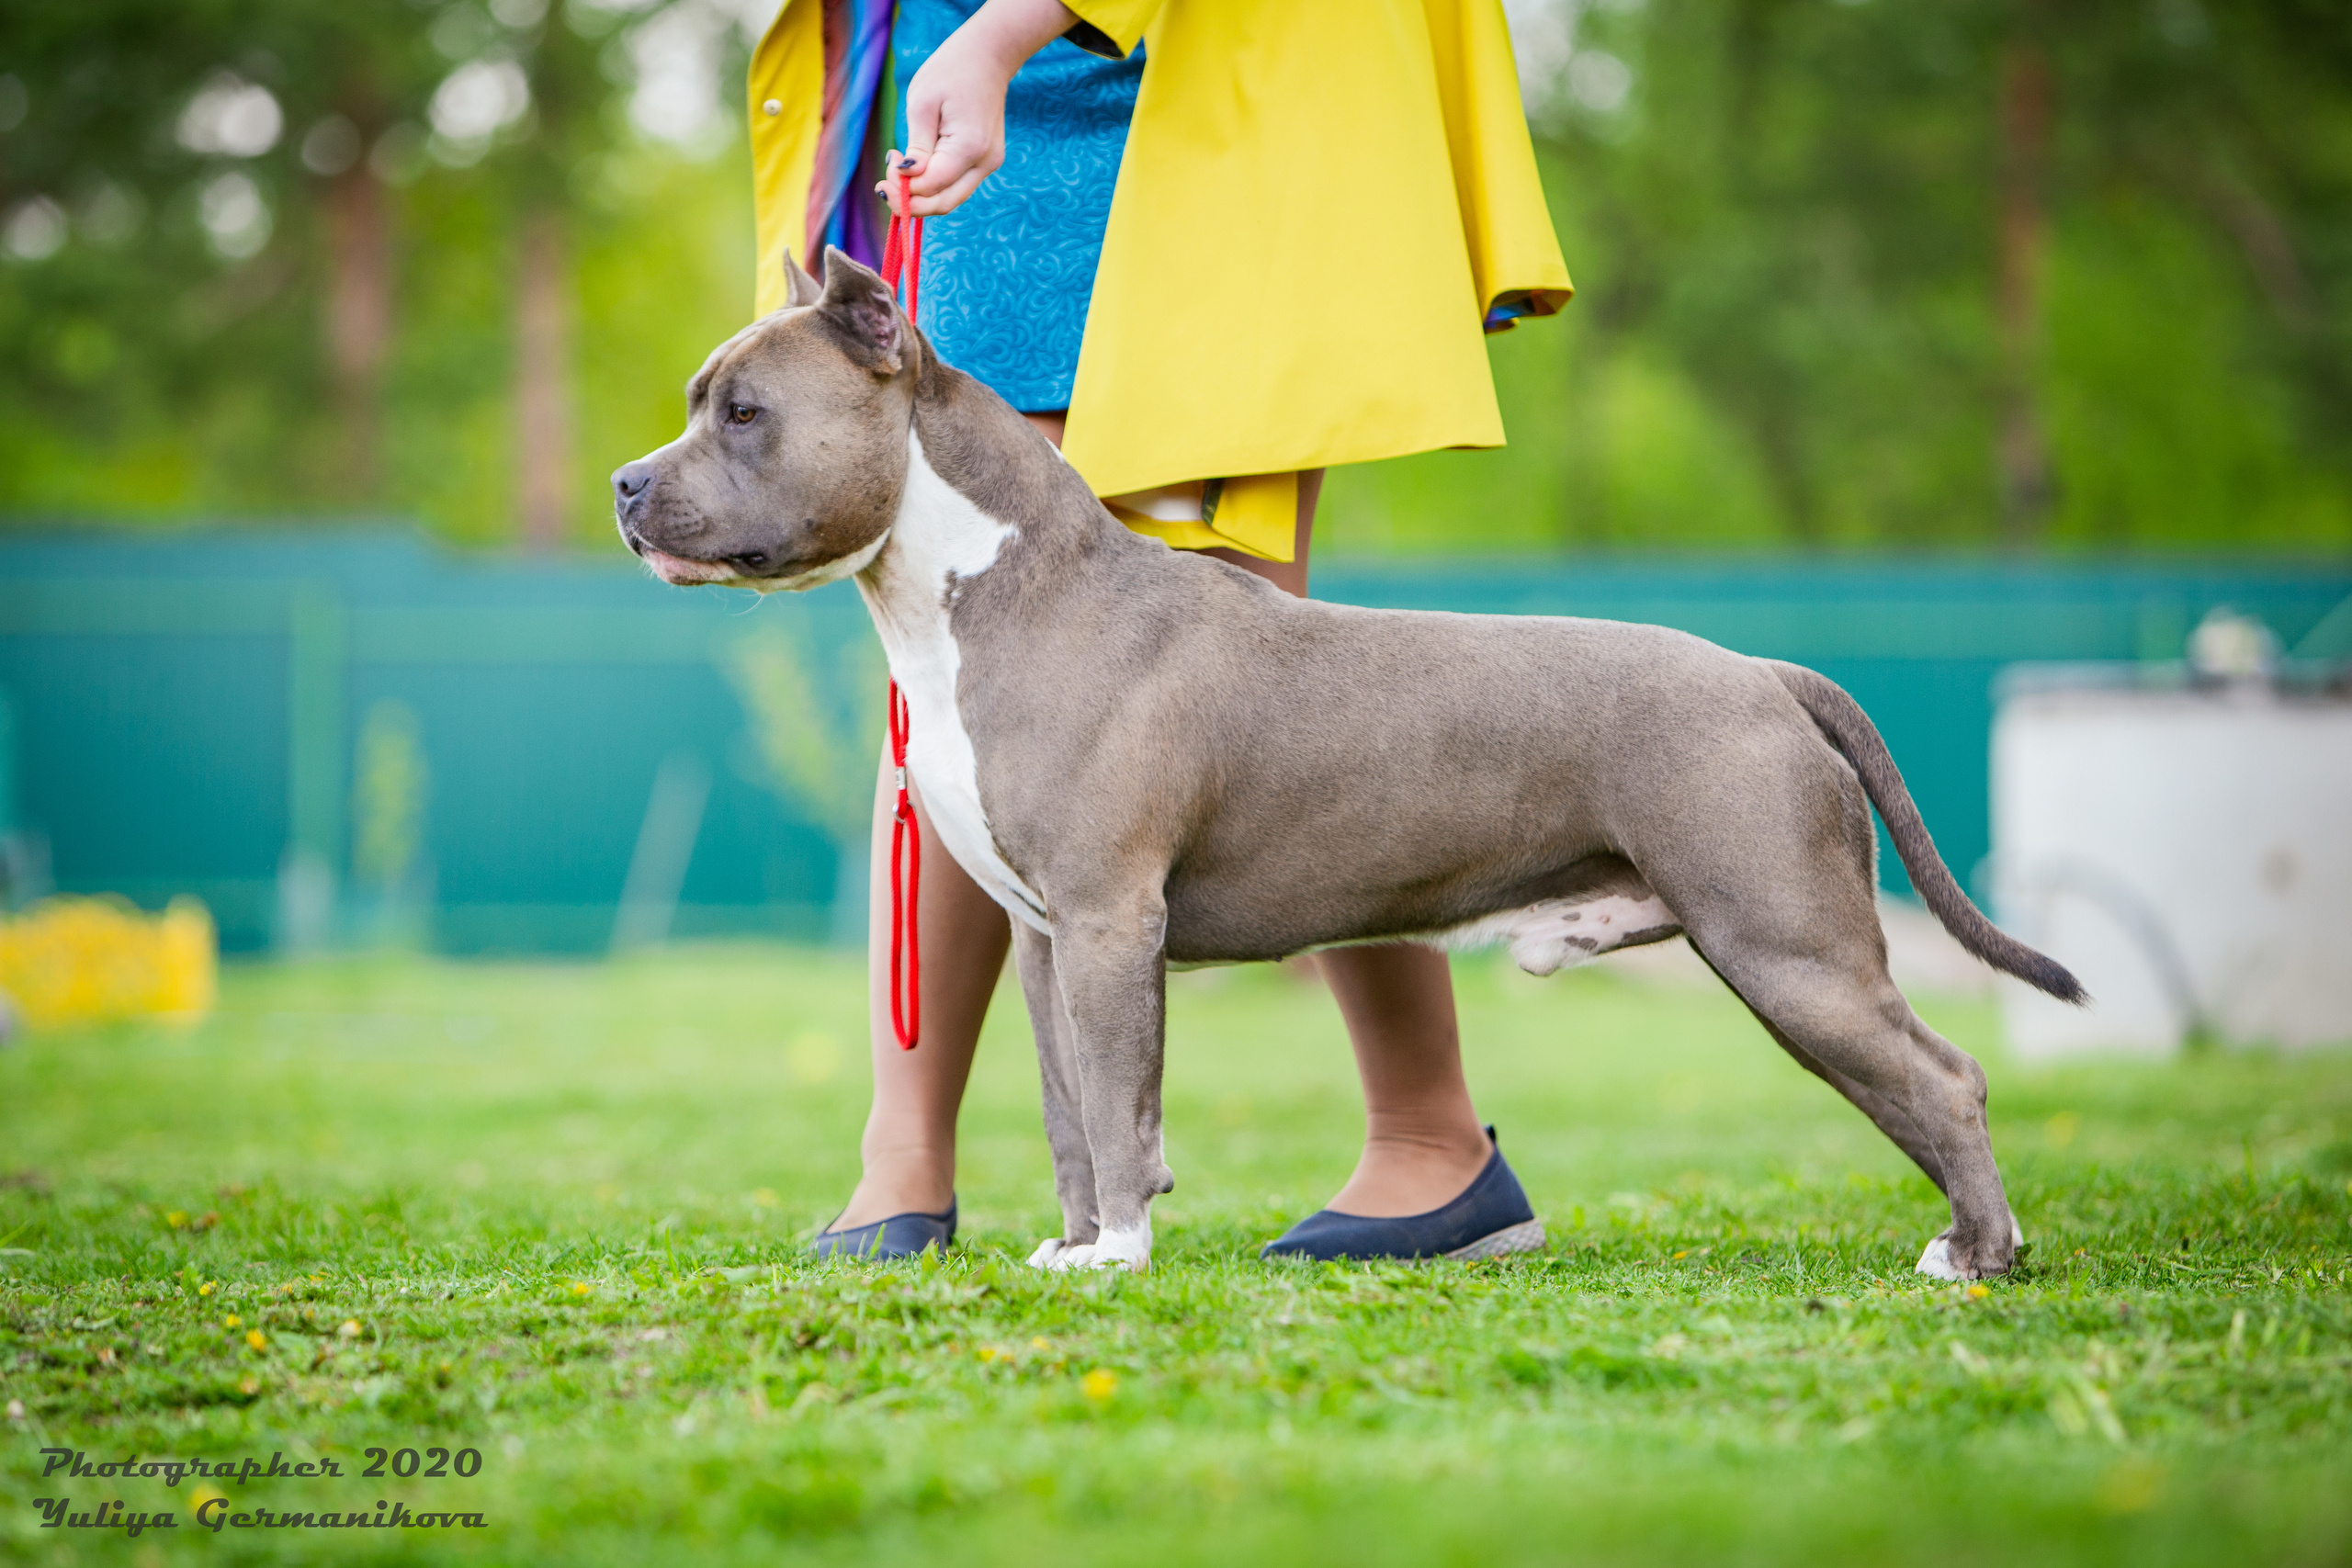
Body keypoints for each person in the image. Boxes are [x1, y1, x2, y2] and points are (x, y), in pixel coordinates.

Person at [746, 0, 1572, 1260]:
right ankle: (902, 1155)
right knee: (962, 667)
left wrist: (1004, 31)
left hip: (1183, 92)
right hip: (975, 122)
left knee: (1261, 677)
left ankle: (1428, 1137)